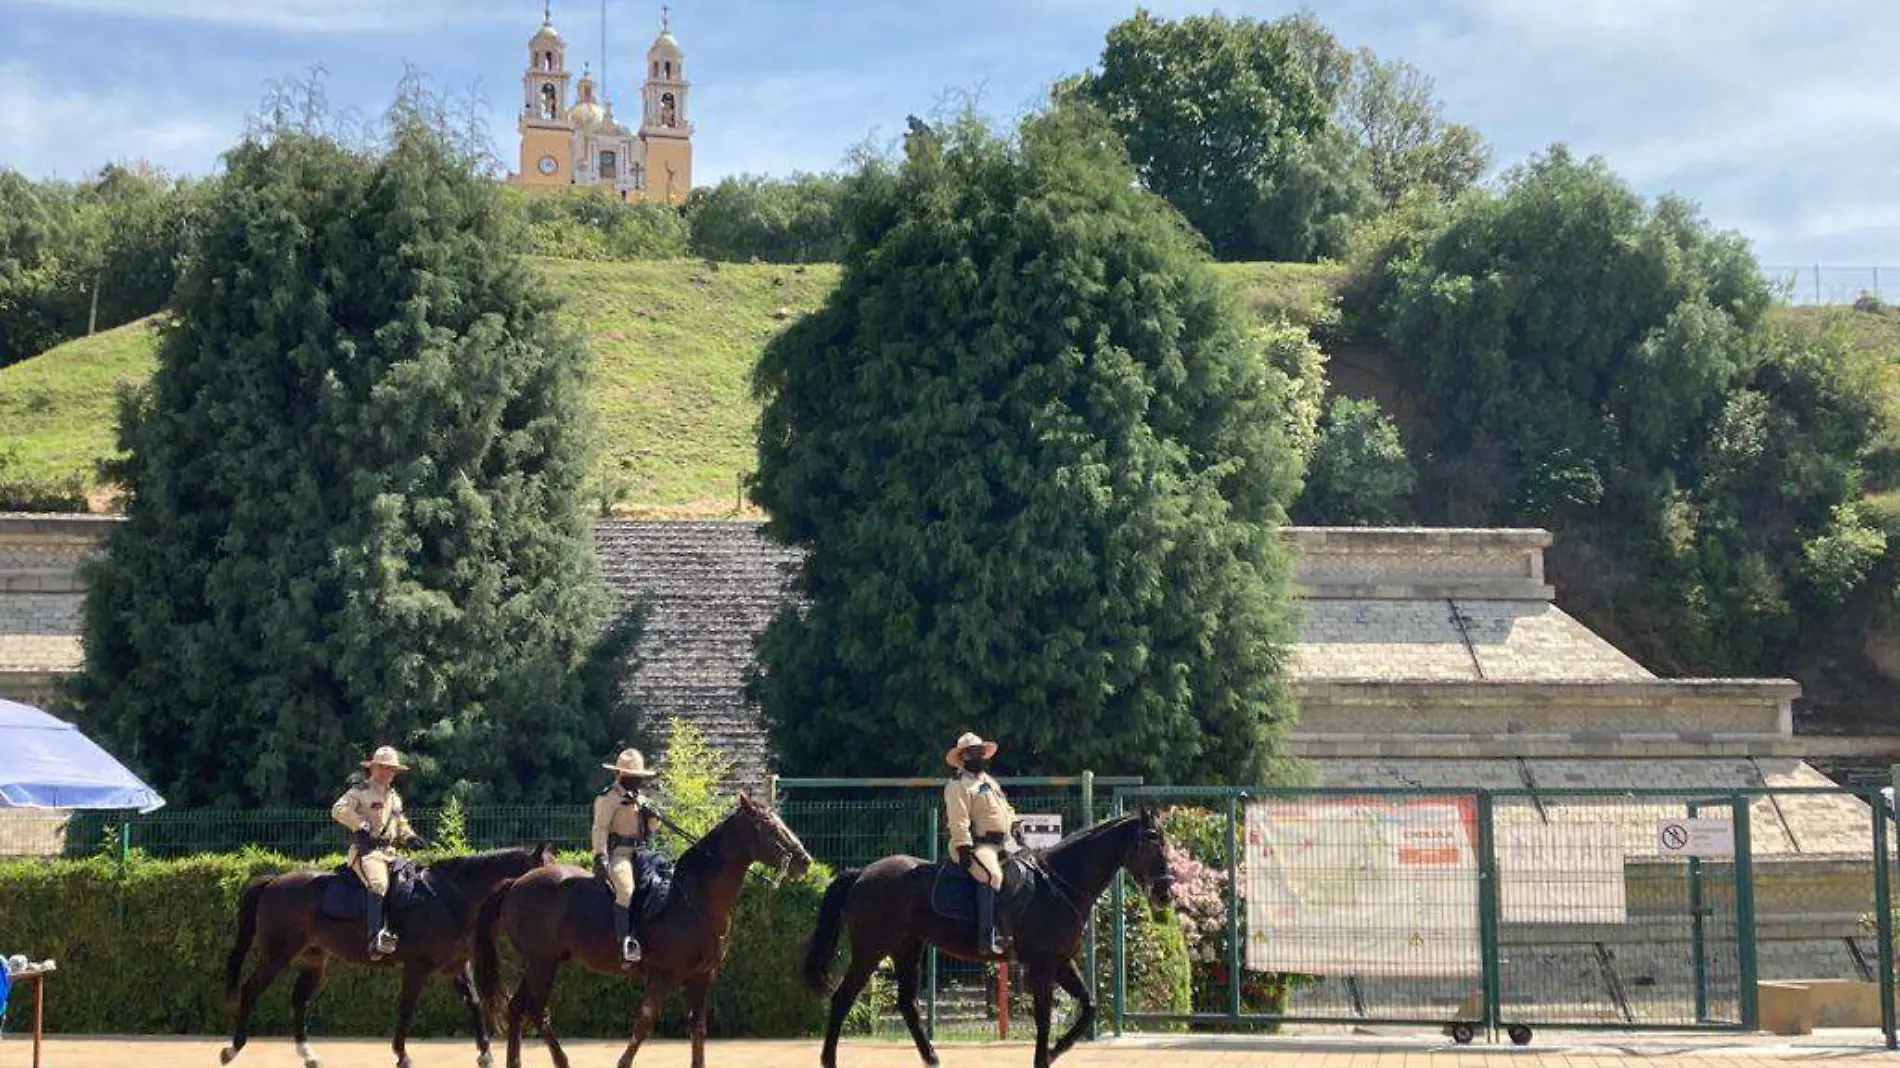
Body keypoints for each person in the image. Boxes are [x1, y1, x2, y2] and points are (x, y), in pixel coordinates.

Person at [331, 745, 426, 959]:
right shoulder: (360, 791)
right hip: (368, 853)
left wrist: (410, 836)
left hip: (391, 853)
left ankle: (401, 933)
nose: (387, 772)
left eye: (391, 769)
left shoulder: (394, 797)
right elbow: (338, 809)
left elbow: (399, 822)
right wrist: (359, 824)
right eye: (383, 767)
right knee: (379, 884)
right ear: (373, 768)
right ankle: (375, 940)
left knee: (411, 883)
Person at [943, 731, 1019, 957]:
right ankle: (987, 938)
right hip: (977, 845)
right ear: (963, 757)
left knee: (1028, 868)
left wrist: (1015, 823)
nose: (977, 756)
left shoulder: (989, 781)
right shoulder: (958, 785)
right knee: (992, 876)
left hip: (1002, 843)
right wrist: (963, 846)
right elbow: (958, 819)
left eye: (979, 752)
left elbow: (1006, 809)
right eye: (971, 753)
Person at [592, 747, 663, 966]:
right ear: (620, 775)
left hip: (642, 853)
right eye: (633, 777)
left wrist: (653, 817)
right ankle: (626, 945)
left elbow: (652, 829)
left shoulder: (641, 798)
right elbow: (600, 828)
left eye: (638, 777)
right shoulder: (608, 799)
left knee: (661, 886)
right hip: (620, 854)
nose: (637, 781)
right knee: (627, 891)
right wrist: (600, 856)